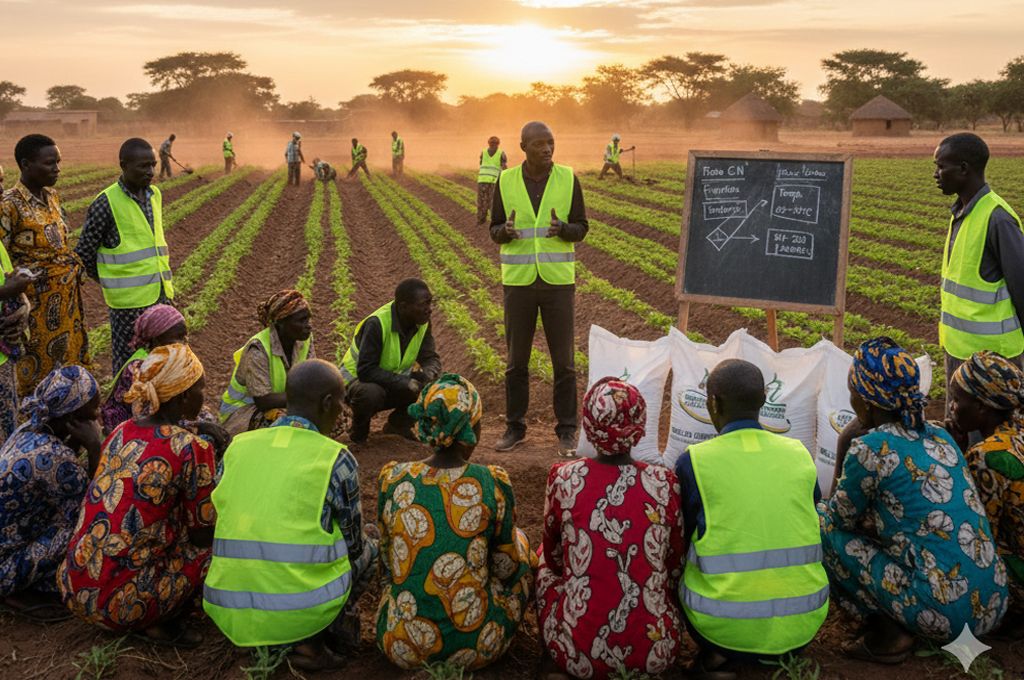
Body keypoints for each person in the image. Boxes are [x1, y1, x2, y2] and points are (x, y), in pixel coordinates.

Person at [819, 337, 1008, 665]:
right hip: (994, 601)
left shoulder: (870, 448)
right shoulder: (941, 436)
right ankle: (913, 612)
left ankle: (888, 633)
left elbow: (839, 518)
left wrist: (844, 442)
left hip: (944, 612)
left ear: (866, 400)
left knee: (822, 526)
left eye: (853, 391)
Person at [205, 359, 379, 671]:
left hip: (224, 603)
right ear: (328, 403)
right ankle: (313, 640)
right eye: (343, 402)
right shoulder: (336, 459)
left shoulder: (238, 447)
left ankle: (252, 639)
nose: (344, 411)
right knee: (371, 545)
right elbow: (353, 545)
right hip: (301, 608)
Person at [673, 359, 827, 679]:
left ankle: (716, 656)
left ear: (713, 404)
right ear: (763, 400)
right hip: (803, 625)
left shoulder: (695, 462)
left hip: (720, 627)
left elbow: (681, 538)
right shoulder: (800, 454)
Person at [376, 374, 536, 670]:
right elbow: (506, 568)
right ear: (472, 428)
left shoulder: (394, 478)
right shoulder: (491, 482)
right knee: (522, 545)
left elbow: (386, 562)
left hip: (400, 646)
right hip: (476, 645)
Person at [59, 344, 216, 646]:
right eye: (200, 389)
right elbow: (202, 537)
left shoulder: (121, 431)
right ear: (184, 396)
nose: (202, 396)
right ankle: (163, 619)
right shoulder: (191, 447)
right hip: (119, 606)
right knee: (218, 548)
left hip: (73, 585)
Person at [537, 377, 685, 680]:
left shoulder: (565, 478)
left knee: (539, 559)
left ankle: (559, 645)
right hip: (656, 651)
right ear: (639, 427)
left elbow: (553, 560)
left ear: (589, 426)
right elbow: (674, 563)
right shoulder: (664, 483)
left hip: (578, 654)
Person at [489, 121, 588, 456]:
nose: (547, 149)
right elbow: (494, 228)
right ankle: (514, 428)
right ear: (523, 148)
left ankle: (566, 432)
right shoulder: (505, 180)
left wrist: (564, 229)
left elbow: (582, 227)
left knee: (565, 364)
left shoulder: (567, 178)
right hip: (518, 284)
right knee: (517, 363)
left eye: (551, 142)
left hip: (558, 283)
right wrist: (506, 231)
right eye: (539, 144)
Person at [0, 366, 100, 622]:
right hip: (3, 564)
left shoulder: (27, 430)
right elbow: (94, 502)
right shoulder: (57, 458)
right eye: (94, 407)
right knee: (84, 528)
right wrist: (94, 447)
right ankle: (17, 586)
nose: (98, 413)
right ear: (75, 414)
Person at [934, 133, 1024, 419]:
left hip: (993, 362)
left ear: (963, 169)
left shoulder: (997, 218)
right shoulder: (961, 212)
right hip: (961, 352)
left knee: (992, 445)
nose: (935, 174)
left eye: (941, 166)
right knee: (962, 434)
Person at [2, 133, 93, 399]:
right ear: (26, 164)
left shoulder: (52, 196)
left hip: (66, 308)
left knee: (66, 367)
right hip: (34, 309)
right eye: (49, 163)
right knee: (35, 372)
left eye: (58, 162)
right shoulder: (9, 205)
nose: (57, 169)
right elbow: (2, 259)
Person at [76, 138, 174, 374]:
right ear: (123, 165)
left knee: (166, 362)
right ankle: (128, 411)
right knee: (131, 368)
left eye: (152, 165)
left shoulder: (155, 195)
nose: (150, 171)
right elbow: (83, 254)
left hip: (162, 294)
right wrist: (111, 281)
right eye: (143, 166)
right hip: (128, 306)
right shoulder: (105, 203)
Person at [948, 351, 1024, 614]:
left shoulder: (986, 457)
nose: (951, 408)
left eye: (957, 400)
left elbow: (978, 536)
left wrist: (956, 459)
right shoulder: (1017, 433)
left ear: (982, 407)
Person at [101, 304, 228, 449]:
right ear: (154, 340)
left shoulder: (168, 359)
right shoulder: (140, 369)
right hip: (136, 434)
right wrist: (198, 427)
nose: (182, 344)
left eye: (184, 337)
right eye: (176, 339)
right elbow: (154, 415)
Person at [340, 278, 441, 443]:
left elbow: (430, 357)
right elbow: (365, 371)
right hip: (355, 386)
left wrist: (428, 375)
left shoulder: (421, 322)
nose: (429, 310)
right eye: (424, 304)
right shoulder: (377, 323)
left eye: (430, 303)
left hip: (390, 382)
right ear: (403, 307)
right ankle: (359, 428)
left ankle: (398, 425)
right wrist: (406, 382)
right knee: (370, 393)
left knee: (432, 386)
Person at [220, 290, 314, 435]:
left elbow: (311, 377)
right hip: (243, 411)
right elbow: (264, 401)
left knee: (327, 414)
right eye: (301, 321)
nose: (309, 325)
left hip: (283, 402)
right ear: (281, 323)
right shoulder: (258, 348)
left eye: (308, 319)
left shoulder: (304, 339)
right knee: (287, 423)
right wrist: (307, 397)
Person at [476, 136, 507, 226]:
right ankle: (494, 220)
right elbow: (504, 167)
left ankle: (481, 219)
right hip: (494, 180)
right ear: (498, 144)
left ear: (488, 143)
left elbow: (481, 163)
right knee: (493, 200)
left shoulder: (484, 152)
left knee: (481, 200)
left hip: (482, 179)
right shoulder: (501, 153)